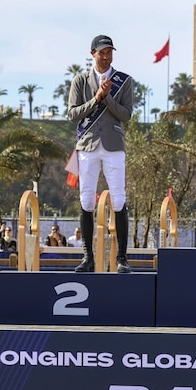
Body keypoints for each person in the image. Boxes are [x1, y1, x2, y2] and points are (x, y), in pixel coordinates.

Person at [67, 34, 133, 273]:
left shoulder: (124, 81)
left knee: (118, 199)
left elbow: (126, 115)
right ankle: (88, 257)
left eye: (109, 52)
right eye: (102, 52)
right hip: (88, 145)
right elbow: (73, 114)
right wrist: (96, 98)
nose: (106, 57)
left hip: (114, 144)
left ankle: (122, 259)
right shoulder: (80, 81)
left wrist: (108, 100)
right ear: (93, 53)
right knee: (86, 200)